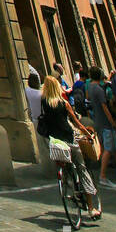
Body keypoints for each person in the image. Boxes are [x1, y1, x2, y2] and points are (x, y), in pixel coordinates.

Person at [38, 74, 100, 218]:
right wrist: (88, 134)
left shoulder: (45, 104)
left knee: (65, 165)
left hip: (55, 141)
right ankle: (91, 208)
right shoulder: (63, 103)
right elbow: (76, 123)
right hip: (68, 138)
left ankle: (67, 185)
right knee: (82, 169)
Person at [87, 65, 116, 189]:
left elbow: (88, 98)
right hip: (105, 124)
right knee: (108, 150)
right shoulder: (98, 89)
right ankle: (103, 176)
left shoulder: (91, 87)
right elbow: (105, 108)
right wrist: (113, 123)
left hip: (99, 122)